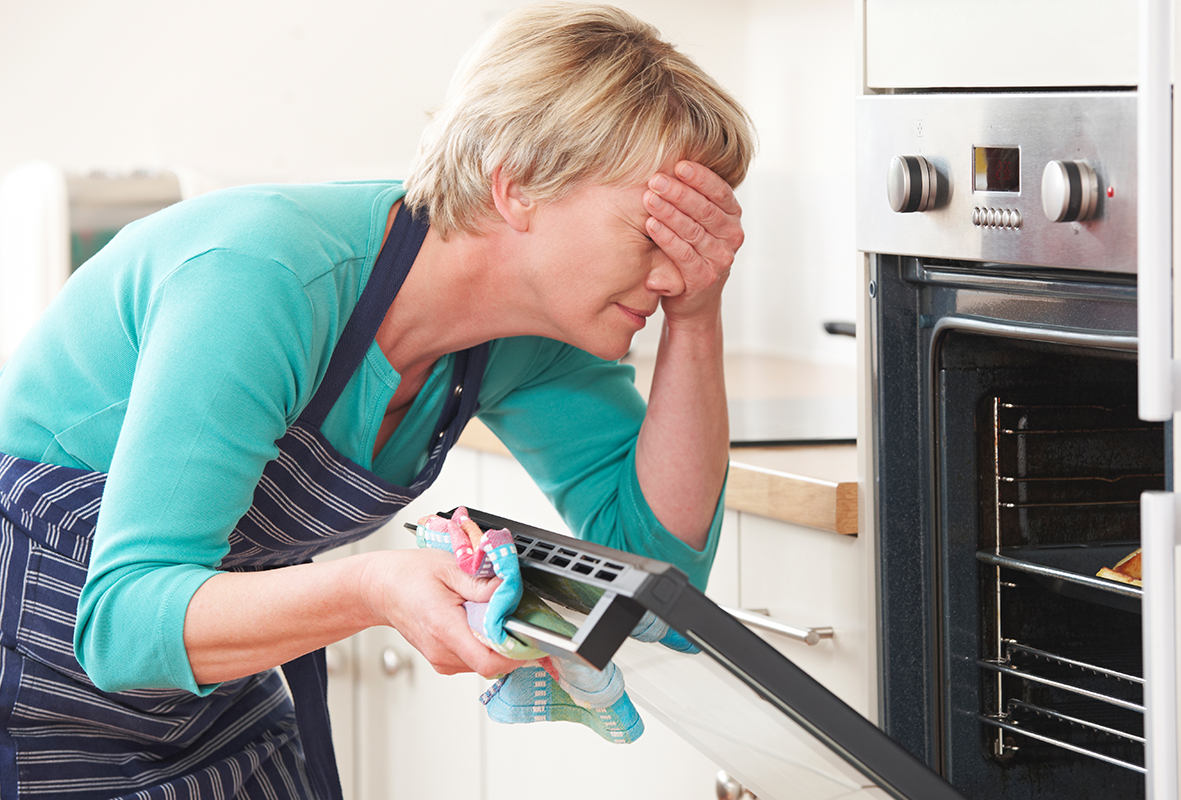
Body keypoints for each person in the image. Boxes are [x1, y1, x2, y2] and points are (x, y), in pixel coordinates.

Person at [0, 3, 754, 798]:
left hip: (203, 699)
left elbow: (661, 581)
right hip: (29, 686)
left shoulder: (532, 338)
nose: (673, 273)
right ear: (520, 186)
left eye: (691, 245)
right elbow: (122, 624)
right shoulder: (265, 280)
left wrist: (698, 319)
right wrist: (373, 587)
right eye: (652, 235)